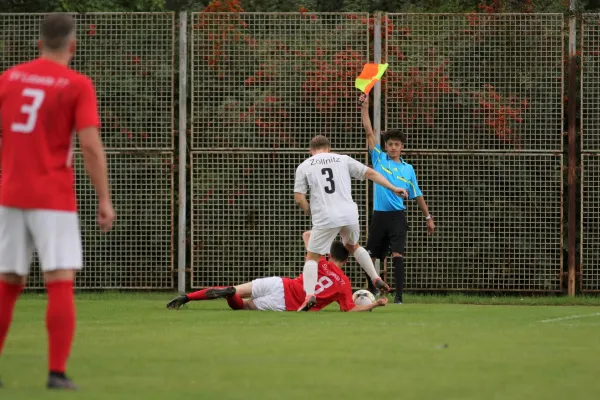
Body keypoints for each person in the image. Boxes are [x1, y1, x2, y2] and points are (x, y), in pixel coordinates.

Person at [0, 14, 116, 390]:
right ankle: (56, 372)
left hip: (9, 193)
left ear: (38, 44)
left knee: (8, 281)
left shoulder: (10, 78)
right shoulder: (76, 84)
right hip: (52, 196)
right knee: (59, 279)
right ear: (73, 45)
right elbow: (89, 145)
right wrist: (104, 198)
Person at [293, 135, 408, 312]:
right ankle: (375, 276)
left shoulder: (305, 166)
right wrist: (394, 188)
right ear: (329, 149)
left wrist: (310, 210)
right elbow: (370, 173)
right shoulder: (343, 159)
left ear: (311, 151)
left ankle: (309, 295)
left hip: (325, 216)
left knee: (312, 257)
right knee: (353, 246)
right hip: (349, 214)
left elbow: (299, 198)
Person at [166, 237, 388, 313]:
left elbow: (306, 234)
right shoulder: (344, 284)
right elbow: (350, 309)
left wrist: (321, 240)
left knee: (240, 290)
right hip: (286, 302)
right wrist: (375, 304)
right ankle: (229, 295)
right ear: (347, 261)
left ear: (330, 254)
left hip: (281, 283)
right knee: (242, 306)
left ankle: (188, 297)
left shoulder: (319, 260)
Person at [360, 94, 435, 304]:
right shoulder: (379, 158)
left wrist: (428, 217)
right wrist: (364, 108)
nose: (393, 147)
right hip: (379, 216)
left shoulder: (408, 169)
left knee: (397, 256)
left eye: (397, 144)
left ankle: (399, 297)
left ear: (402, 147)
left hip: (397, 217)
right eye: (390, 144)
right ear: (385, 146)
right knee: (370, 255)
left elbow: (417, 194)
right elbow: (368, 131)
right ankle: (371, 290)